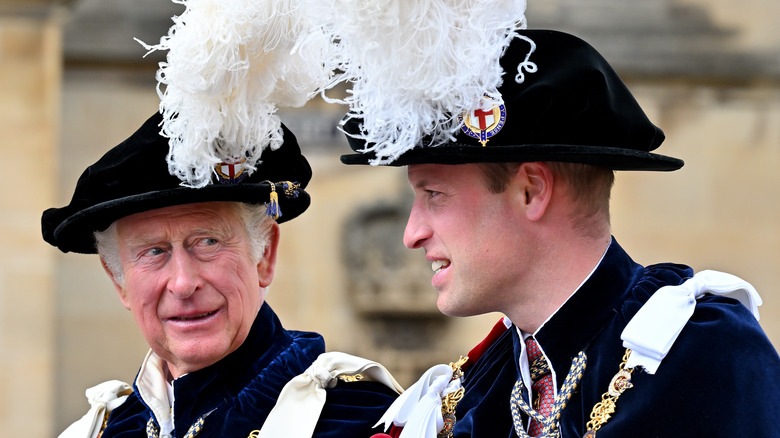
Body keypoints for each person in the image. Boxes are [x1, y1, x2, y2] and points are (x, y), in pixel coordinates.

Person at [339, 29, 780, 437]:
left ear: (531, 191)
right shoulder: (480, 387)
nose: (411, 234)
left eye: (434, 194)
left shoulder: (699, 354)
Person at [43, 112, 400, 438]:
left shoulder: (355, 417)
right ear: (118, 280)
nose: (183, 284)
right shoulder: (98, 431)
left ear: (264, 255)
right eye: (154, 252)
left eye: (208, 242)